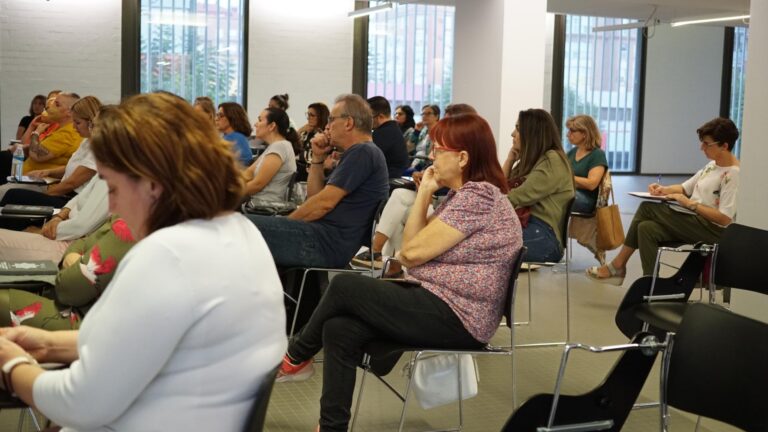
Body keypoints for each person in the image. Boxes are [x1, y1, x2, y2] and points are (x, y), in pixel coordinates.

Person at [0, 92, 286, 431]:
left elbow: (81, 404)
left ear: (150, 184)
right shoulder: (239, 233)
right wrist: (48, 344)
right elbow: (148, 343)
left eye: (114, 188)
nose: (113, 206)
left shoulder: (167, 256)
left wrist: (11, 365)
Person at [276, 114, 523, 432]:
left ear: (462, 157)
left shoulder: (480, 197)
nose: (432, 157)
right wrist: (424, 193)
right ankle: (331, 427)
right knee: (339, 329)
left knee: (345, 288)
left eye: (438, 150)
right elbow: (412, 247)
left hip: (459, 315)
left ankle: (294, 356)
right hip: (437, 301)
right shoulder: (460, 197)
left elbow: (409, 254)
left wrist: (412, 255)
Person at [587, 117, 740, 285]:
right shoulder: (712, 165)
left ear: (724, 146)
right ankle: (652, 285)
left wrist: (690, 204)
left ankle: (618, 265)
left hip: (712, 230)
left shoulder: (733, 174)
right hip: (693, 221)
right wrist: (663, 190)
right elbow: (685, 188)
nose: (701, 148)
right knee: (645, 228)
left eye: (707, 144)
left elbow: (725, 218)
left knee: (647, 208)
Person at [245, 94, 389, 269]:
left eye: (331, 120)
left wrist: (284, 225)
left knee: (240, 227)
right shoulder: (361, 153)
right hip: (325, 240)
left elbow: (323, 204)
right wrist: (318, 158)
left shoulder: (363, 152)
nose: (327, 127)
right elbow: (315, 196)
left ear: (348, 123)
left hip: (326, 243)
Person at [0, 215, 136, 330]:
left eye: (114, 188)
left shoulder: (132, 226)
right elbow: (82, 242)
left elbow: (69, 291)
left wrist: (75, 261)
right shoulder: (126, 214)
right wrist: (74, 259)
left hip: (90, 323)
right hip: (77, 301)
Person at [0, 96, 102, 206]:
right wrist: (48, 172)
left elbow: (70, 184)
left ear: (91, 122)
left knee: (11, 194)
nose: (74, 126)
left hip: (70, 198)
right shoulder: (86, 141)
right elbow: (72, 167)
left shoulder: (96, 148)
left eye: (77, 123)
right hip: (53, 184)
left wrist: (35, 134)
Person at [502, 109, 575, 263]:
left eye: (518, 129)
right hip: (527, 227)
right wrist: (509, 160)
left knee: (481, 246)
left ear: (532, 134)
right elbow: (501, 189)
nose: (512, 134)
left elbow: (515, 197)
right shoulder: (533, 160)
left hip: (544, 236)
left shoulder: (552, 160)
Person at [0, 174, 109, 262]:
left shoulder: (112, 179)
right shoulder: (106, 169)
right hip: (65, 230)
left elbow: (81, 227)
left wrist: (42, 230)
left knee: (12, 194)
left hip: (71, 247)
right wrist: (60, 216)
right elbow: (79, 197)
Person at [565, 114, 609, 264]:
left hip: (587, 201)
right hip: (573, 195)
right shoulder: (571, 153)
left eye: (572, 131)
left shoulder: (597, 155)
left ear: (584, 134)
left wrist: (566, 178)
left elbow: (592, 183)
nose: (568, 134)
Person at [243, 107, 298, 202]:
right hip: (257, 203)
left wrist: (228, 193)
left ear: (272, 126)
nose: (255, 124)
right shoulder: (274, 146)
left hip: (265, 207)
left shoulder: (280, 146)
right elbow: (249, 173)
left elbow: (257, 185)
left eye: (260, 120)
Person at [367, 96, 409, 179]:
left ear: (380, 117)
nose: (366, 121)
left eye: (369, 117)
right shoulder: (392, 128)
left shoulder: (383, 133)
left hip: (389, 178)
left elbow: (366, 158)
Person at [296, 102, 330, 181]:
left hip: (312, 173)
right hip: (300, 170)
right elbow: (294, 148)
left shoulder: (325, 135)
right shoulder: (306, 132)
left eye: (312, 115)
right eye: (307, 115)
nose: (308, 118)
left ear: (321, 117)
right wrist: (300, 131)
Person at [216, 102, 254, 166]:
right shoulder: (236, 136)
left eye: (221, 115)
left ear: (232, 117)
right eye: (217, 115)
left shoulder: (233, 138)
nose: (216, 119)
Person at [409, 104, 440, 169]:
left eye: (428, 114)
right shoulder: (423, 131)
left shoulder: (440, 132)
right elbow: (409, 148)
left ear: (436, 116)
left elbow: (434, 156)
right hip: (415, 163)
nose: (424, 116)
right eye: (423, 114)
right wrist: (416, 132)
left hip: (426, 167)